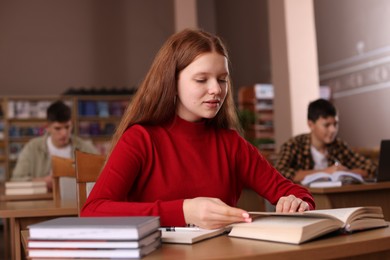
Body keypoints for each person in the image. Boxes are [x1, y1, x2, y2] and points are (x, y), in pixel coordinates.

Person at [81, 29, 314, 229]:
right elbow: (92, 211)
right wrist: (184, 211)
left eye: (222, 79)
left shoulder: (231, 144)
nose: (216, 90)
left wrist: (297, 201)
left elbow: (296, 193)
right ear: (171, 83)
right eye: (201, 80)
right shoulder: (140, 139)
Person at [275, 98, 377, 183]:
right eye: (326, 125)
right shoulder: (293, 145)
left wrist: (346, 172)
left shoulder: (339, 145)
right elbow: (279, 172)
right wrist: (326, 172)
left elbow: (371, 167)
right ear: (311, 124)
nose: (333, 130)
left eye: (335, 124)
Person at [11, 100, 98, 191]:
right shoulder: (32, 147)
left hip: (77, 201)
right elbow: (16, 180)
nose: (64, 133)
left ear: (72, 124)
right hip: (42, 201)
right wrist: (43, 182)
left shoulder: (85, 147)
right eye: (58, 128)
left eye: (67, 127)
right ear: (47, 127)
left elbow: (103, 175)